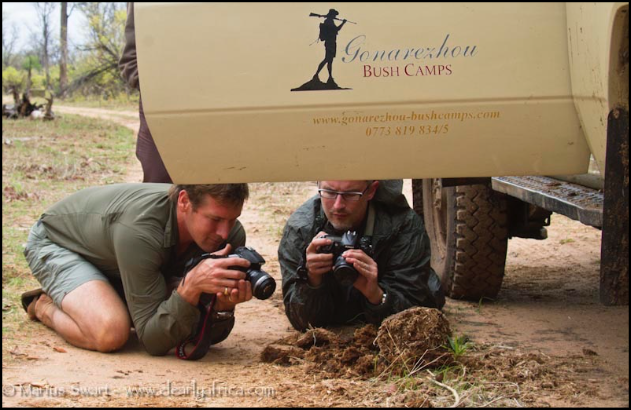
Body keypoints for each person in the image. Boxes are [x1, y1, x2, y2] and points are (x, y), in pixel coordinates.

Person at [21, 183, 253, 356]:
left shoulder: (230, 236)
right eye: (215, 219)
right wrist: (190, 288)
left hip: (118, 257)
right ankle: (44, 305)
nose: (224, 233)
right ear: (184, 202)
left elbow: (203, 336)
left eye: (232, 220)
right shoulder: (140, 231)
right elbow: (152, 341)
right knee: (110, 331)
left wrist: (222, 307)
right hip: (59, 242)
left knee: (181, 299)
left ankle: (107, 294)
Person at [279, 180, 445, 331]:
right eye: (329, 192)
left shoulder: (403, 226)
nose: (338, 205)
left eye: (350, 194)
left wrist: (377, 295)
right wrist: (311, 281)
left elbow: (414, 317)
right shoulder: (301, 229)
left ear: (371, 190)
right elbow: (300, 321)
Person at [119, 2, 172, 183]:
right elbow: (130, 59)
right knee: (160, 185)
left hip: (218, 98)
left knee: (220, 190)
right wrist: (150, 85)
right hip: (162, 98)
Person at [313, 9, 347, 85]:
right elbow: (336, 29)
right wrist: (343, 23)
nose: (335, 16)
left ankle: (329, 77)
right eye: (334, 15)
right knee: (327, 59)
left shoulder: (329, 21)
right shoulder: (329, 21)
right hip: (330, 43)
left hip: (332, 43)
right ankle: (317, 74)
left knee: (329, 61)